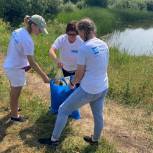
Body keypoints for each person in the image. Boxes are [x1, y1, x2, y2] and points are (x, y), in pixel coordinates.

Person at [39, 18, 109, 146]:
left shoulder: (85, 47)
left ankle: (54, 140)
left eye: (79, 32)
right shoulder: (103, 44)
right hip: (103, 87)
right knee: (98, 115)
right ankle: (95, 140)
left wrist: (72, 84)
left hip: (89, 89)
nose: (78, 36)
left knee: (63, 109)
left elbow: (79, 73)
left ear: (84, 31)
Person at [3, 14, 50, 122]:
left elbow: (19, 51)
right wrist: (44, 76)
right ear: (33, 25)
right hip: (16, 68)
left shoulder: (18, 31)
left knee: (13, 89)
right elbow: (32, 62)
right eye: (40, 29)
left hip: (10, 64)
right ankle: (14, 116)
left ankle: (13, 108)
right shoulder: (28, 40)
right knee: (16, 91)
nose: (41, 32)